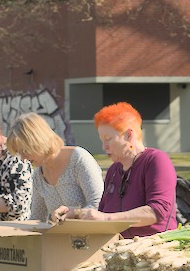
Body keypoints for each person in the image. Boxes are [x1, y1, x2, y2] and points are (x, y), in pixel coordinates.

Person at [52, 102, 177, 238]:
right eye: (102, 140)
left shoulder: (156, 160)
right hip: (119, 246)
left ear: (129, 135)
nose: (104, 146)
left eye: (108, 139)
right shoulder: (113, 171)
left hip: (153, 245)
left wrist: (107, 218)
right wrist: (76, 214)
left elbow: (157, 210)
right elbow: (102, 214)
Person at [7, 112, 104, 222]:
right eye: (19, 153)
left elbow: (99, 205)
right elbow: (37, 218)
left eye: (25, 151)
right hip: (62, 233)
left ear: (38, 141)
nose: (23, 158)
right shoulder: (38, 175)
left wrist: (76, 213)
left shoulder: (78, 160)